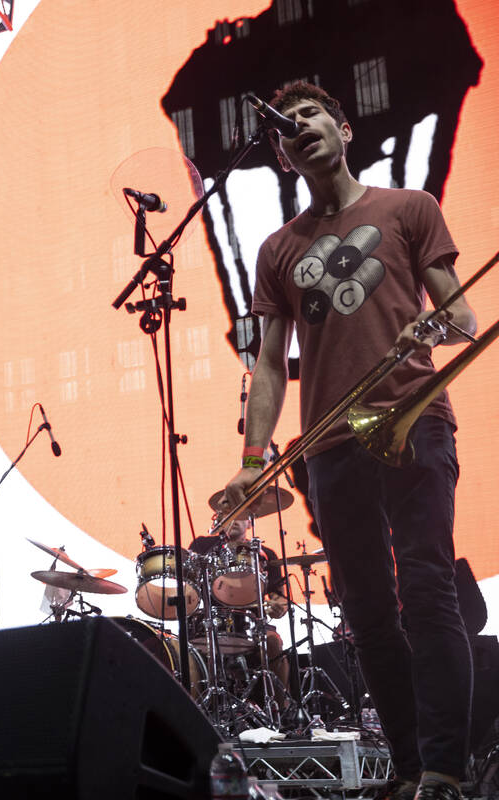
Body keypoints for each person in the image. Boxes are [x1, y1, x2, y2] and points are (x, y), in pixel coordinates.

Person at [222, 81, 476, 800]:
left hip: (413, 416)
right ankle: (405, 768)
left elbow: (462, 316)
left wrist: (433, 325)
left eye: (311, 116)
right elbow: (269, 365)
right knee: (365, 610)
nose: (298, 127)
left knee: (426, 589)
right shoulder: (277, 248)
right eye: (286, 126)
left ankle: (444, 769)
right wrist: (251, 458)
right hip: (331, 441)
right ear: (280, 154)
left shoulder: (408, 208)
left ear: (342, 130)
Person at [189, 518, 291, 700]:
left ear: (250, 523)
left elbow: (280, 599)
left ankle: (281, 711)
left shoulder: (265, 553)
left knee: (274, 642)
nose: (234, 519)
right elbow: (189, 582)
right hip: (211, 623)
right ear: (218, 518)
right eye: (229, 513)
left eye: (240, 514)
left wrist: (278, 607)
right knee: (187, 650)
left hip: (253, 625)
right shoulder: (203, 545)